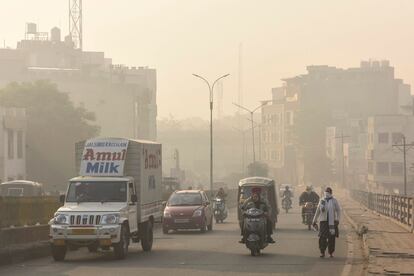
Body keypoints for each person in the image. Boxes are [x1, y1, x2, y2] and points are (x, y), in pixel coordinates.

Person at [312, 187, 341, 258]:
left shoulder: (334, 201)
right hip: (323, 222)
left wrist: (337, 219)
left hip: (332, 222)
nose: (327, 193)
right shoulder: (322, 200)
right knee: (322, 238)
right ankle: (322, 252)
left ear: (331, 193)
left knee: (331, 238)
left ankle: (331, 252)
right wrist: (314, 221)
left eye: (328, 192)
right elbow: (318, 211)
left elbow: (338, 210)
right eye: (326, 192)